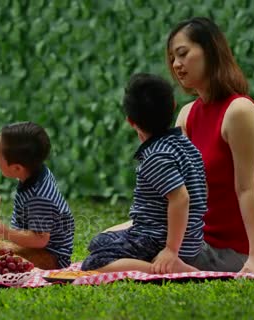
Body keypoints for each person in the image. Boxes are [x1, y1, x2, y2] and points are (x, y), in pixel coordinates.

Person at [168, 17, 254, 273]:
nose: (176, 65)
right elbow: (177, 190)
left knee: (116, 252)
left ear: (210, 51)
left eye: (182, 54)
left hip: (228, 251)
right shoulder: (187, 115)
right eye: (172, 59)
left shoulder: (239, 110)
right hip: (192, 240)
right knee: (106, 242)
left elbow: (247, 187)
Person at [81, 73, 207, 274]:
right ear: (173, 105)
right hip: (190, 239)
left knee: (94, 262)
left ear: (131, 121)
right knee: (99, 241)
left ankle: (161, 267)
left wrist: (171, 250)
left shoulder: (156, 156)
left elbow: (181, 198)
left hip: (159, 240)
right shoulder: (185, 145)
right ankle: (166, 260)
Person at [0, 122, 75, 270]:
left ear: (17, 168)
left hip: (49, 257)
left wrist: (2, 231)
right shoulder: (37, 172)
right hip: (31, 248)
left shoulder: (39, 196)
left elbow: (40, 240)